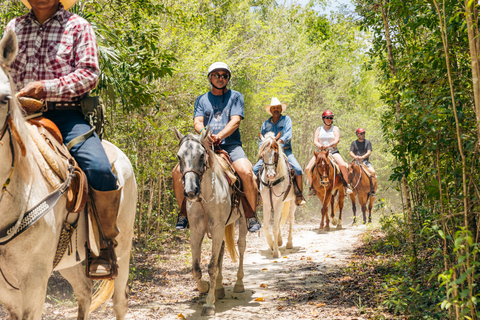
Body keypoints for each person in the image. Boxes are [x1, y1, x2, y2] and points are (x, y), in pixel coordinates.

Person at [6, 0, 118, 277]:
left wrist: (46, 87)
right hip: (18, 116)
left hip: (65, 117)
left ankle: (104, 245)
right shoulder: (14, 27)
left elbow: (89, 74)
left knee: (100, 170)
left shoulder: (77, 26)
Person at [172, 62, 261, 232]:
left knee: (247, 173)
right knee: (177, 172)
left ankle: (250, 215)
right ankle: (183, 212)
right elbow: (197, 122)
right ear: (210, 77)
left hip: (231, 145)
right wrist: (206, 132)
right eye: (216, 75)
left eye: (224, 75)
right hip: (205, 145)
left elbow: (235, 121)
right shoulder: (202, 99)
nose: (220, 78)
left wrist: (219, 136)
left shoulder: (235, 96)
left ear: (228, 78)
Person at [253, 97, 306, 206]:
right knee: (254, 170)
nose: (276, 109)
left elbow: (288, 135)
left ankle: (299, 195)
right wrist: (262, 150)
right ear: (271, 110)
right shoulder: (265, 124)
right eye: (274, 108)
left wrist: (277, 144)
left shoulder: (286, 120)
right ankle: (257, 195)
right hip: (268, 153)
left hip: (285, 151)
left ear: (281, 109)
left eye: (278, 107)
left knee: (298, 169)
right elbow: (261, 139)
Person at [305, 110, 353, 195]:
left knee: (342, 165)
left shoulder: (335, 128)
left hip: (333, 152)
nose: (329, 119)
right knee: (308, 168)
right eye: (327, 118)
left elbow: (337, 140)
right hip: (320, 153)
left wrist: (328, 145)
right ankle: (312, 187)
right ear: (323, 119)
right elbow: (315, 141)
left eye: (331, 118)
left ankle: (346, 186)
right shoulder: (319, 129)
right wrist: (318, 145)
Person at [349, 128, 377, 197]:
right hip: (355, 161)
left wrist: (363, 157)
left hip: (365, 161)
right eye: (361, 133)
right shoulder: (354, 143)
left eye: (364, 133)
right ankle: (347, 187)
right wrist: (355, 157)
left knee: (372, 172)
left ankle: (372, 190)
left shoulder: (367, 142)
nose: (363, 135)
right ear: (358, 135)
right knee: (347, 170)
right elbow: (351, 152)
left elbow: (369, 152)